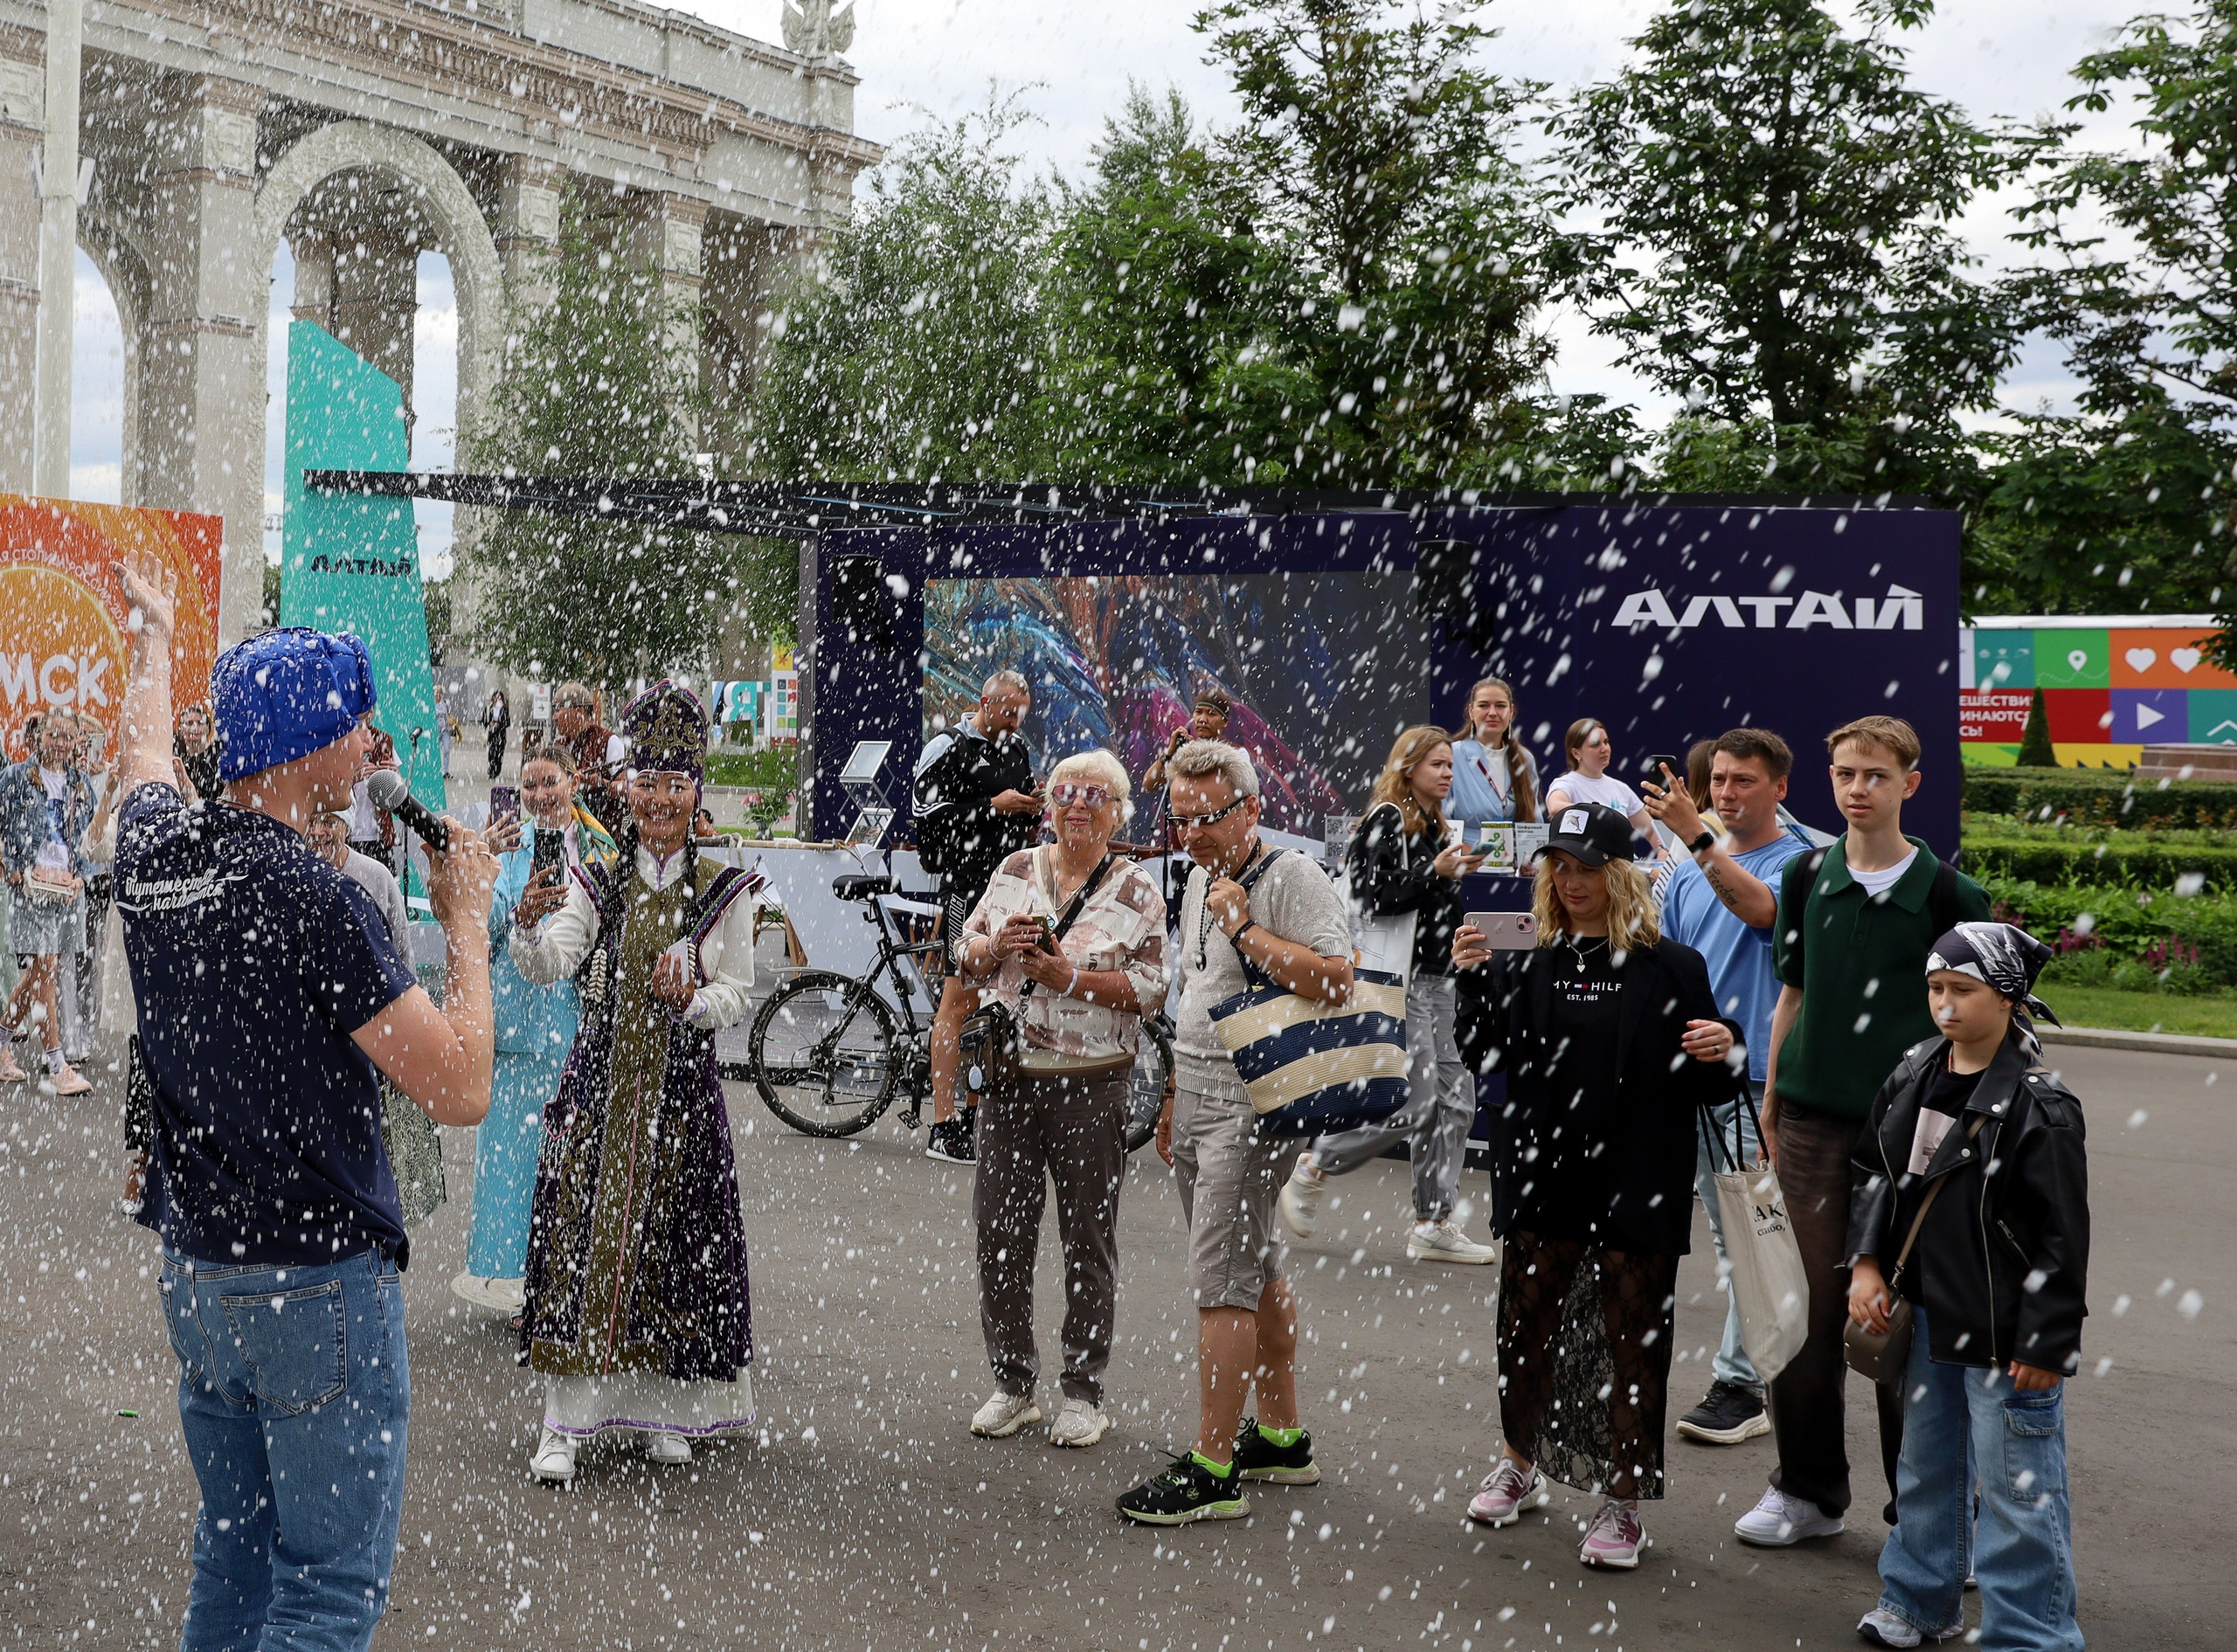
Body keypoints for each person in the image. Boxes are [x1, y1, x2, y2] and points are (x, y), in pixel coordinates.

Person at [112, 550, 495, 1652]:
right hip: (315, 1283)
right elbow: (462, 1084)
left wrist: (155, 633)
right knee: (325, 1593)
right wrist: (465, 913)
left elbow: (142, 749)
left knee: (232, 1562)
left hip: (199, 1275)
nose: (375, 740)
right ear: (308, 744)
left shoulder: (154, 851)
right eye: (359, 720)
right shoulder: (319, 900)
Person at [1451, 801, 1742, 1569]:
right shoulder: (1526, 958)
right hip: (1544, 1170)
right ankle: (1520, 1460)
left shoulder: (1673, 967)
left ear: (1621, 875)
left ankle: (1623, 1501)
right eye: (1561, 867)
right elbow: (1482, 1053)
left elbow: (1712, 1085)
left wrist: (1725, 1048)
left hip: (1638, 1175)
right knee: (1528, 1323)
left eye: (1587, 868)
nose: (1572, 882)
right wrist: (1470, 980)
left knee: (1631, 1335)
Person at [1738, 715, 1991, 1550]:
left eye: (1875, 775)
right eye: (1845, 772)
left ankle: (1925, 1515)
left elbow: (1982, 1029)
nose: (1857, 788)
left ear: (1910, 784)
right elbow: (1792, 997)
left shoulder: (1953, 897)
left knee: (1900, 1319)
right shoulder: (1809, 877)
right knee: (1802, 1311)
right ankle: (1807, 1489)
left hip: (1914, 1131)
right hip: (1809, 1122)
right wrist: (1773, 1103)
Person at [510, 683, 764, 1482]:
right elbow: (554, 963)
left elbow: (738, 993)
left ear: (696, 795)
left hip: (681, 1098)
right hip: (601, 1089)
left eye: (676, 786)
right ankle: (565, 1423)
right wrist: (525, 925)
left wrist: (693, 1000)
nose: (660, 800)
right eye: (648, 783)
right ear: (630, 788)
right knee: (584, 1246)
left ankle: (663, 1407)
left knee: (675, 1246)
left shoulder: (723, 889)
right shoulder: (599, 878)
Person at [1117, 740, 1353, 1525]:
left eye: (1208, 817)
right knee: (1255, 1259)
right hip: (1199, 1092)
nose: (1191, 833)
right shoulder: (1192, 876)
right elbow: (1196, 988)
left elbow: (1336, 978)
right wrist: (1174, 1092)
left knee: (1220, 1282)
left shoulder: (1292, 877)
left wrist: (1246, 928)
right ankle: (1283, 1436)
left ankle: (1214, 1467)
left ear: (1252, 809)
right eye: (1180, 817)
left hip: (1254, 1102)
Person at [1846, 923, 2088, 1651]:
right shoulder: (1914, 1068)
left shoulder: (2041, 1105)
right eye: (1935, 989)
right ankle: (1919, 1600)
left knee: (2020, 1488)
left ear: (2010, 997)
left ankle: (2031, 1633)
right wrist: (1865, 1262)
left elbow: (2061, 1237)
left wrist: (2047, 1341)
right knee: (1924, 1466)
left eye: (1963, 990)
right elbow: (1876, 1173)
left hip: (2004, 1334)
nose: (1945, 1006)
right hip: (1924, 1315)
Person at [955, 749, 1167, 1449]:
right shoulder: (1017, 869)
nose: (1078, 804)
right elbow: (965, 950)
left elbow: (1152, 990)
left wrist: (1069, 976)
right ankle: (1014, 1385)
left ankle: (1083, 1392)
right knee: (1001, 1236)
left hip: (1093, 1081)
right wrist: (995, 950)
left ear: (1117, 811)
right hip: (1010, 1078)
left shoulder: (1137, 888)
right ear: (1048, 805)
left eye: (1095, 795)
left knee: (1087, 1238)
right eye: (1065, 793)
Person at [1642, 728, 1808, 1448]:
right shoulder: (1682, 872)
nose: (1728, 793)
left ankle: (1743, 1383)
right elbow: (1665, 963)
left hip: (1755, 1079)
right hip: (1687, 1075)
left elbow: (1762, 913)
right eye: (1721, 781)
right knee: (1718, 1229)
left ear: (1779, 789)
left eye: (1745, 781)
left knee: (1747, 1227)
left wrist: (1696, 838)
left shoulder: (1801, 864)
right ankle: (1770, 1369)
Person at [1278, 725, 1498, 1265]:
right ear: (1409, 768)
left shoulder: (1438, 828)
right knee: (1415, 1101)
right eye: (1437, 765)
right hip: (1400, 982)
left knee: (1456, 1101)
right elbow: (1372, 897)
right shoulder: (1388, 820)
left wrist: (1451, 883)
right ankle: (1315, 1166)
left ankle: (1433, 1221)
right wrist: (1434, 871)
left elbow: (1428, 909)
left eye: (1451, 765)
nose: (1447, 773)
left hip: (1441, 979)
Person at [453, 744, 616, 1313]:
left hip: (575, 1022)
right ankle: (511, 1281)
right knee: (509, 1165)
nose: (540, 795)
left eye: (550, 782)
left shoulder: (600, 846)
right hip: (517, 1025)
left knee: (568, 1160)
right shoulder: (507, 845)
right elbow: (480, 928)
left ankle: (564, 1278)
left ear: (573, 781)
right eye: (530, 786)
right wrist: (510, 902)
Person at [913, 671, 1042, 1165]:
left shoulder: (1016, 748)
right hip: (966, 887)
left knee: (994, 1002)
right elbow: (924, 812)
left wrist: (1033, 802)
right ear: (984, 702)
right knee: (957, 999)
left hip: (1009, 887)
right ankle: (944, 1123)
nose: (1014, 722)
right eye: (1007, 712)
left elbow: (1020, 813)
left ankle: (973, 1112)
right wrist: (991, 806)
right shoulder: (948, 745)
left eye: (1021, 714)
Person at [0, 710, 99, 1095]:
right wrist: (10, 866)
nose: (59, 742)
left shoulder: (79, 784)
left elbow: (90, 837)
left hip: (66, 895)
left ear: (77, 741)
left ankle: (2, 1044)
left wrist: (81, 876)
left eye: (67, 737)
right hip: (29, 890)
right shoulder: (13, 778)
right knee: (48, 967)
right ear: (40, 737)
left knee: (39, 975)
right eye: (53, 735)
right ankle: (58, 1065)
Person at [1446, 676, 1539, 840]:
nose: (1493, 713)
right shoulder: (1451, 755)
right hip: (1465, 860)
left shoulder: (1525, 759)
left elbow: (1534, 824)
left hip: (1514, 861)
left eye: (1500, 706)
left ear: (1511, 712)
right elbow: (1441, 820)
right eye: (1483, 705)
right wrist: (1470, 856)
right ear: (1471, 711)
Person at [1543, 719, 1653, 839]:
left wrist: (1661, 849)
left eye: (1606, 742)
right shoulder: (1566, 783)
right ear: (1576, 753)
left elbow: (1651, 830)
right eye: (1595, 744)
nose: (1604, 749)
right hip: (1586, 856)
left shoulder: (1621, 788)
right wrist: (1598, 815)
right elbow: (1555, 807)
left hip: (1622, 857)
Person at [551, 681, 627, 834]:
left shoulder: (608, 741)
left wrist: (600, 783)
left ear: (579, 711)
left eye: (558, 710)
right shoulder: (559, 746)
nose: (554, 717)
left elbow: (628, 789)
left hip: (602, 831)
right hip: (567, 831)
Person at [1143, 688, 1233, 797]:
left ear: (1225, 722)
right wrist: (1170, 752)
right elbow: (1149, 785)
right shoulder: (1183, 751)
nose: (1202, 720)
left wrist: (1195, 755)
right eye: (1198, 712)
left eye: (1211, 714)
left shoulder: (1236, 755)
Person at [173, 702, 225, 803]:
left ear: (208, 728)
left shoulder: (219, 754)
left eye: (200, 723)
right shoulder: (178, 760)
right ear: (181, 729)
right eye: (189, 723)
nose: (195, 728)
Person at [484, 687, 511, 781]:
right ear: (493, 698)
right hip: (492, 734)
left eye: (500, 698)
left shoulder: (504, 709)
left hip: (501, 734)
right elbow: (484, 721)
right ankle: (491, 771)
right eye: (496, 697)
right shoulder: (489, 709)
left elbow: (508, 722)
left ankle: (496, 771)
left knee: (499, 754)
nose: (498, 699)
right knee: (492, 753)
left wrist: (499, 724)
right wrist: (490, 723)